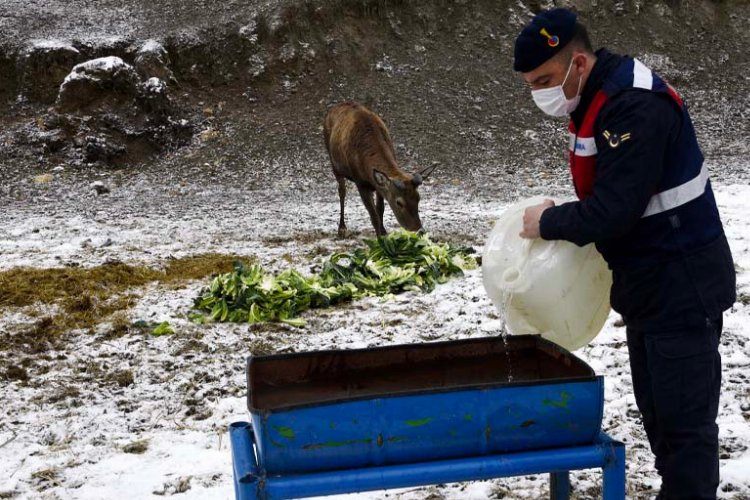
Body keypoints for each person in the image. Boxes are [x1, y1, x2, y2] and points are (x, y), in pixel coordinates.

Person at [512, 8, 736, 499]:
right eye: (530, 84)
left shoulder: (633, 105)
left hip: (682, 283)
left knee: (685, 432)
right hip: (648, 285)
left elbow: (614, 211)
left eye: (545, 79)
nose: (539, 93)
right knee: (660, 420)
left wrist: (547, 223)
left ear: (580, 63)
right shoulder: (594, 99)